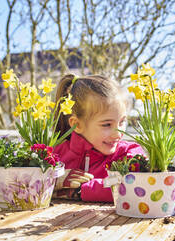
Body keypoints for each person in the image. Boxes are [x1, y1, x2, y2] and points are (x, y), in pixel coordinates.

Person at [53, 74, 144, 202]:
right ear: (77, 125)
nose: (118, 134)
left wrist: (79, 191)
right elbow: (21, 185)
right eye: (107, 124)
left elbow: (130, 184)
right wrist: (52, 181)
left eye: (122, 122)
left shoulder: (128, 154)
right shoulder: (55, 154)